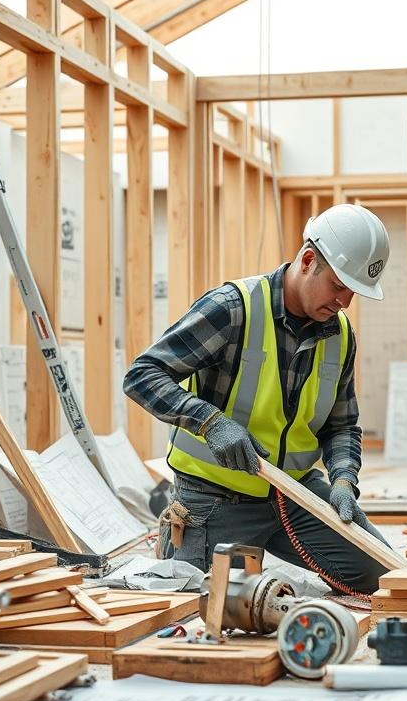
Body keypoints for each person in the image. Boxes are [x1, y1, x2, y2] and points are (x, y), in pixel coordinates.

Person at [125, 204, 393, 595]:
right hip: (216, 500)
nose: (345, 302)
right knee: (214, 606)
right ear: (307, 260)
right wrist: (210, 422)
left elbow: (342, 424)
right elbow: (143, 375)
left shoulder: (340, 335)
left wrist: (343, 479)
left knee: (382, 576)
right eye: (338, 286)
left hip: (297, 495)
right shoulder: (233, 309)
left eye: (353, 292)